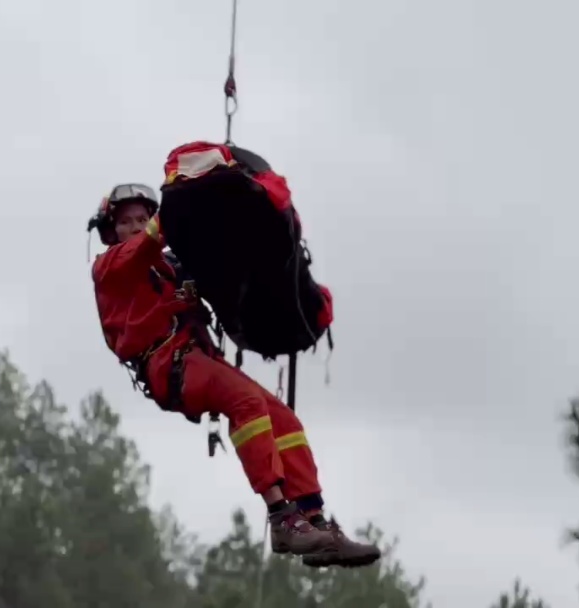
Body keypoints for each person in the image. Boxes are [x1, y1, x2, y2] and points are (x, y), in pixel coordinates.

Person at [88, 183, 381, 569]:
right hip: (165, 364)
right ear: (111, 232)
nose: (137, 227)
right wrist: (178, 211)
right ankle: (281, 517)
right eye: (126, 222)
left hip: (197, 356)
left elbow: (215, 281)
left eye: (143, 218)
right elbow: (146, 246)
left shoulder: (172, 267)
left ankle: (314, 520)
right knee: (247, 402)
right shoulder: (110, 266)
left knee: (283, 418)